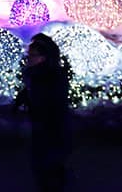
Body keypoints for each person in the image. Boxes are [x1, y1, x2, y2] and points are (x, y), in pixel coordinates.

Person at [14, 33, 73, 192]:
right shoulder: (36, 74)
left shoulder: (49, 77)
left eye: (33, 55)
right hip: (42, 125)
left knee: (49, 165)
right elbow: (31, 92)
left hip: (51, 126)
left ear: (44, 58)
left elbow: (51, 102)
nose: (29, 58)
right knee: (44, 164)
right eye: (29, 54)